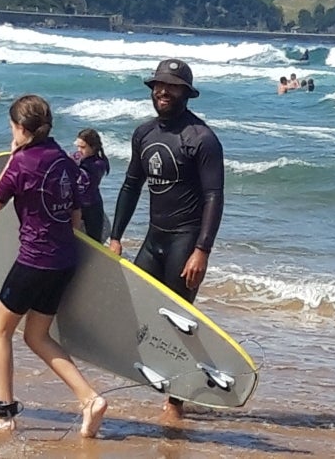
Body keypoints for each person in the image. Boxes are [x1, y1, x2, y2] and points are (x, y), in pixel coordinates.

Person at [0, 94, 107, 437]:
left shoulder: (22, 162)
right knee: (37, 335)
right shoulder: (64, 159)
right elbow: (76, 218)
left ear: (20, 129)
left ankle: (3, 415)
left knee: (0, 330)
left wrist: (12, 156)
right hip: (64, 261)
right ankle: (90, 399)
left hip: (33, 260)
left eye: (12, 128)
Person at [109, 58, 224, 423]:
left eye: (172, 86)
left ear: (186, 94)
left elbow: (213, 197)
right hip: (154, 239)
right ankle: (161, 376)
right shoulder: (144, 134)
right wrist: (115, 236)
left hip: (185, 243)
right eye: (159, 85)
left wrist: (201, 250)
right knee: (136, 309)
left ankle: (177, 401)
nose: (163, 91)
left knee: (177, 321)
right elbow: (131, 185)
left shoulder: (202, 139)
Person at [73, 128, 110, 242]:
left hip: (92, 207)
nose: (79, 150)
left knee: (94, 242)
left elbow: (91, 170)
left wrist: (74, 163)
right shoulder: (77, 157)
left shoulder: (99, 164)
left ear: (93, 148)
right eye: (78, 146)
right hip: (76, 205)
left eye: (83, 147)